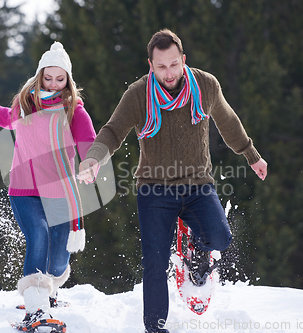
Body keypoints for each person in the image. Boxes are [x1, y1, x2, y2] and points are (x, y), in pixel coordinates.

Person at [78, 29, 267, 333]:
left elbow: (228, 121)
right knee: (155, 262)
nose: (169, 73)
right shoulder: (138, 94)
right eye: (161, 66)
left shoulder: (206, 85)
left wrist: (251, 154)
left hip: (197, 185)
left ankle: (194, 246)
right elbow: (112, 132)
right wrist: (92, 159)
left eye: (174, 65)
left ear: (183, 60)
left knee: (220, 238)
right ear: (150, 65)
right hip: (154, 190)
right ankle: (155, 327)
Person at [0, 42, 96, 330]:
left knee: (60, 253)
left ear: (68, 81)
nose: (53, 84)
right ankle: (35, 310)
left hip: (60, 191)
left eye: (59, 79)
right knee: (38, 237)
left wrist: (90, 165)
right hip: (23, 190)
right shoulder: (24, 107)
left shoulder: (74, 111)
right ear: (39, 76)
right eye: (47, 78)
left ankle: (49, 289)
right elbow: (1, 116)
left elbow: (89, 144)